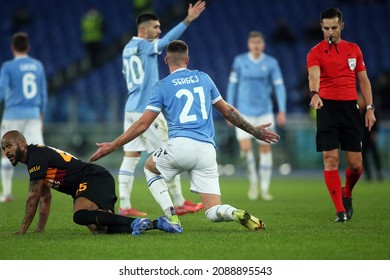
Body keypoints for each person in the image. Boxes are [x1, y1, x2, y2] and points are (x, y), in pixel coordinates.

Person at [90, 40, 281, 232]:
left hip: (180, 146)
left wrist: (113, 145)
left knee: (150, 168)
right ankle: (233, 212)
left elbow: (142, 124)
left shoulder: (162, 86)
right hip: (207, 151)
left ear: (166, 60)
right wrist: (255, 131)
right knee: (213, 211)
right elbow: (229, 112)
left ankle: (171, 216)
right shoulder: (204, 78)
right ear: (187, 60)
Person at [118, 0, 205, 217]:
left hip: (130, 107)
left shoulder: (127, 49)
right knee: (167, 153)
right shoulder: (145, 45)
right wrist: (189, 19)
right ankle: (178, 202)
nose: (159, 30)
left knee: (130, 156)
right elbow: (167, 41)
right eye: (155, 27)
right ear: (143, 29)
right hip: (145, 110)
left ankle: (125, 205)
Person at [1, 130, 180, 235]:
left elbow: (33, 197)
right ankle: (156, 224)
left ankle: (135, 222)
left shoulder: (35, 157)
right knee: (100, 229)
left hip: (93, 178)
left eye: (9, 146)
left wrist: (22, 231)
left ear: (22, 144)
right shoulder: (36, 158)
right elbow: (44, 197)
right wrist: (39, 230)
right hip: (94, 181)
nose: (6, 151)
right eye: (3, 148)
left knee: (80, 215)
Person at [306, 7, 376, 222]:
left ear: (341, 26)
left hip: (350, 109)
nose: (330, 32)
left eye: (334, 27)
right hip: (326, 107)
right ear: (321, 27)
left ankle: (347, 193)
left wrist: (370, 107)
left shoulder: (354, 49)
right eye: (326, 28)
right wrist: (315, 94)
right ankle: (340, 211)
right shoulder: (315, 52)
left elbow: (363, 80)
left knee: (356, 164)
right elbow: (313, 74)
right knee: (331, 159)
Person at [226, 31, 287, 201]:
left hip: (264, 112)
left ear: (263, 44)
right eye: (253, 43)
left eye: (259, 42)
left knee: (265, 148)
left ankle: (264, 188)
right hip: (243, 113)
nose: (256, 45)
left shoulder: (271, 63)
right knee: (245, 149)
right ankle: (253, 183)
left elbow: (279, 87)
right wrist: (229, 111)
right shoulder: (239, 61)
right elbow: (232, 86)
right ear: (248, 44)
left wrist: (281, 110)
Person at [0, 32, 47, 203]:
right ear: (28, 47)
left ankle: (6, 194)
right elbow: (43, 94)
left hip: (12, 114)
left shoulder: (8, 67)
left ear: (12, 48)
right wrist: (41, 118)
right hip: (33, 114)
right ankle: (42, 192)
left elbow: (1, 89)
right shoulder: (38, 66)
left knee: (7, 153)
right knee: (38, 153)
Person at [357, 93, 383, 182]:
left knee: (375, 154)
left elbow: (376, 121)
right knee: (363, 156)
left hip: (370, 135)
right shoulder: (358, 111)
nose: (359, 101)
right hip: (362, 137)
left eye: (360, 99)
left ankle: (379, 172)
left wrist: (374, 133)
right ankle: (368, 175)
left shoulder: (371, 111)